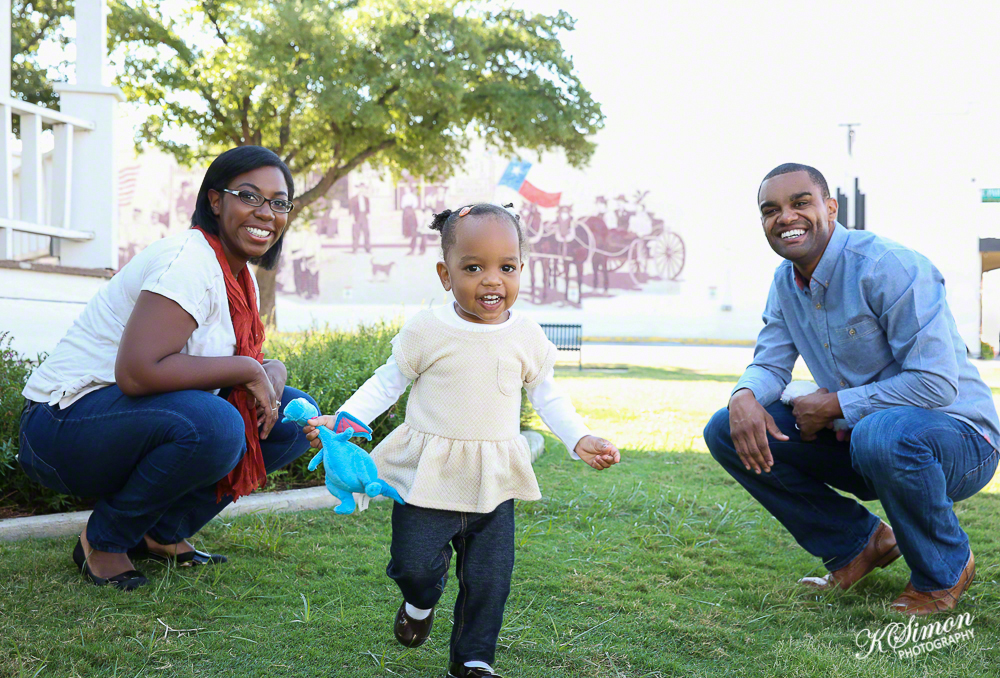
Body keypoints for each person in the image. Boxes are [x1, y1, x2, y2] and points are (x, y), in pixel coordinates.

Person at [303, 203, 621, 678]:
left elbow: (547, 394)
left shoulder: (526, 335)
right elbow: (387, 382)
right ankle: (418, 603)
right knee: (414, 565)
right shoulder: (428, 330)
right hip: (428, 476)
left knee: (488, 580)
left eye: (506, 267)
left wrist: (579, 437)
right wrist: (347, 418)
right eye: (473, 268)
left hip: (493, 479)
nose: (492, 280)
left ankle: (473, 659)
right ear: (445, 274)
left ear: (520, 269)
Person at [703, 163, 1000, 616]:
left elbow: (937, 383)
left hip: (960, 440)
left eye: (800, 202)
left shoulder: (890, 267)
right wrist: (743, 395)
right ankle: (859, 544)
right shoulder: (785, 283)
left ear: (830, 207)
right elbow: (769, 362)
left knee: (880, 431)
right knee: (728, 428)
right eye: (771, 209)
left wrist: (838, 404)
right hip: (868, 439)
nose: (785, 217)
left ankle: (945, 569)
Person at [17, 146, 318, 591]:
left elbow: (218, 360)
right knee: (217, 425)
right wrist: (247, 369)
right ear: (216, 201)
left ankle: (161, 532)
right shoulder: (188, 261)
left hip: (121, 420)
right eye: (249, 196)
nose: (266, 212)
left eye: (278, 202)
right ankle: (103, 543)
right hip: (60, 427)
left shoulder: (237, 275)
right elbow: (138, 372)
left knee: (292, 417)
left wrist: (268, 368)